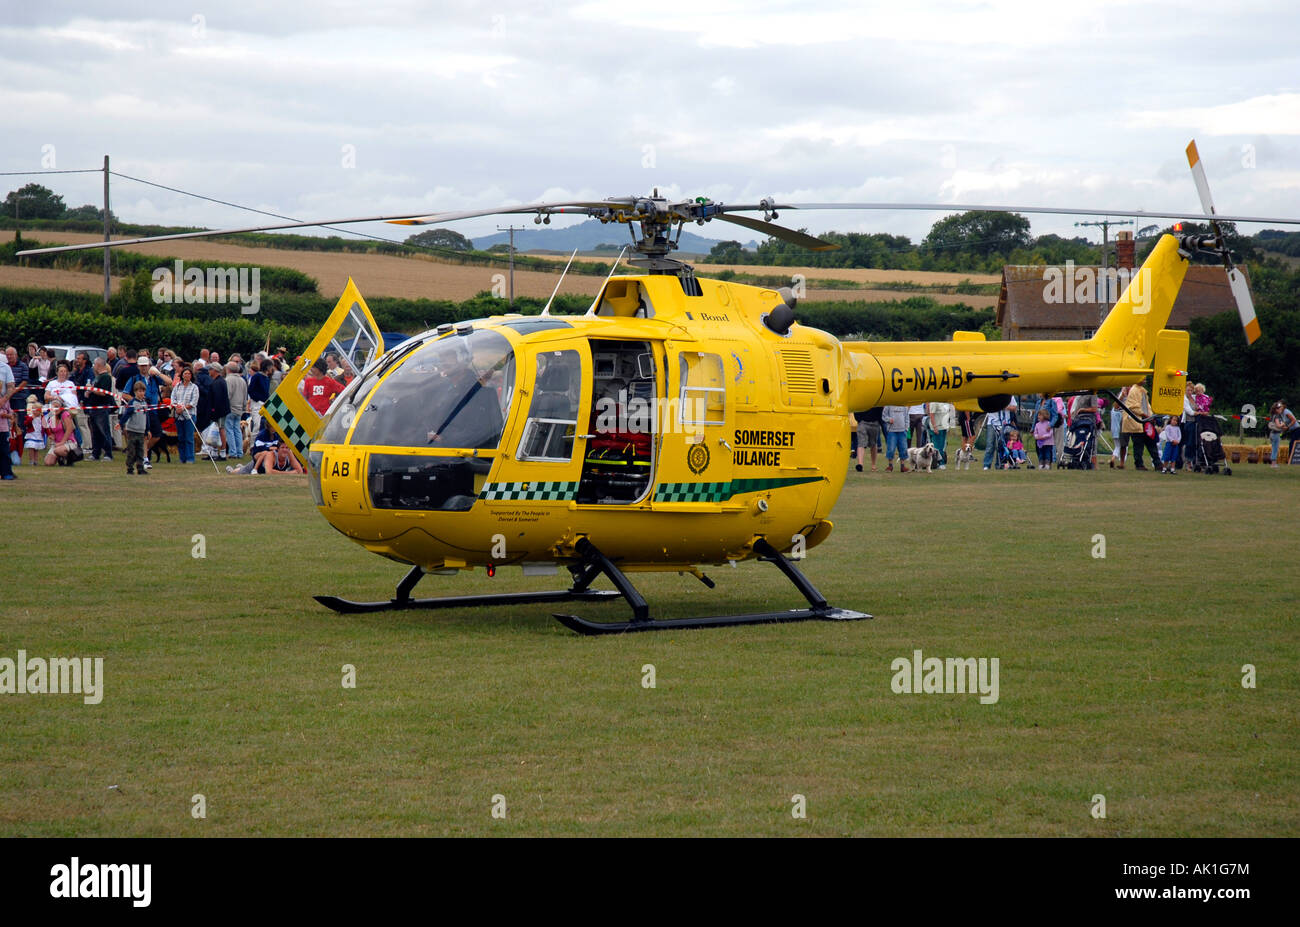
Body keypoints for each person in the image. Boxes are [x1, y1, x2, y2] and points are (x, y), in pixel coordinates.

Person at [1119, 382, 1156, 471]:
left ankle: (1150, 463)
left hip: (1140, 420)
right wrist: (1122, 396)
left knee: (1143, 442)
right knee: (1124, 443)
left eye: (1130, 386)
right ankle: (1122, 463)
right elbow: (1116, 407)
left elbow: (1146, 406)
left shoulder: (1141, 391)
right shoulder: (1127, 394)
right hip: (1128, 421)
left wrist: (1150, 416)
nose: (1129, 387)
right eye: (1127, 386)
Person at [87, 357, 115, 461]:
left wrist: (92, 390)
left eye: (94, 365)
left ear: (98, 365)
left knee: (104, 431)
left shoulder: (106, 377)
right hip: (94, 407)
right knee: (95, 432)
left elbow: (103, 392)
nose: (93, 367)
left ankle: (108, 453)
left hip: (101, 408)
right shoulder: (97, 377)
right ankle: (96, 453)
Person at [119, 381, 150, 475]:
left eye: (142, 391)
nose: (141, 393)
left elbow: (146, 417)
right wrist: (121, 423)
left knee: (140, 451)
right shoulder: (132, 403)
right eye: (139, 391)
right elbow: (126, 415)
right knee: (131, 451)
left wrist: (147, 429)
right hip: (132, 430)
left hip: (141, 430)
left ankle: (140, 468)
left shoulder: (145, 403)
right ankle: (130, 468)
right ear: (135, 392)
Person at [171, 366, 199, 464]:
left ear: (191, 376)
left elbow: (193, 402)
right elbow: (173, 399)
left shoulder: (194, 387)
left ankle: (190, 458)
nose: (187, 375)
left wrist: (183, 408)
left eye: (189, 374)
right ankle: (182, 458)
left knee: (189, 437)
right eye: (185, 373)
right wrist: (176, 407)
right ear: (182, 375)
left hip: (189, 415)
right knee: (181, 437)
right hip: (178, 416)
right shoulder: (177, 386)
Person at [43, 397, 78, 466]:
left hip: (68, 442)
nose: (55, 409)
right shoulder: (51, 416)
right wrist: (50, 434)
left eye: (57, 407)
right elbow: (46, 425)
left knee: (58, 450)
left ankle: (70, 460)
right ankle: (60, 458)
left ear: (61, 407)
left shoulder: (65, 414)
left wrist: (62, 442)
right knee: (48, 462)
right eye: (53, 407)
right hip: (56, 443)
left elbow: (69, 429)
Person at [224, 362, 248, 459]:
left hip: (230, 408)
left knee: (229, 430)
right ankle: (240, 452)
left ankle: (233, 452)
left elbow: (227, 395)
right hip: (239, 409)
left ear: (228, 369)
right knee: (237, 430)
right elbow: (245, 395)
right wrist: (243, 407)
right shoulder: (242, 380)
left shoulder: (228, 380)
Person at [926, 401, 954, 469]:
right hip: (937, 427)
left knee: (942, 447)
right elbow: (931, 415)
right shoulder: (934, 403)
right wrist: (935, 427)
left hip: (944, 427)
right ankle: (939, 463)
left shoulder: (945, 402)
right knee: (937, 447)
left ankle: (940, 463)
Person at [854, 407, 883, 472]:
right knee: (861, 443)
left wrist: (879, 420)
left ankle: (873, 465)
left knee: (873, 444)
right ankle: (860, 465)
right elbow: (856, 407)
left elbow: (881, 408)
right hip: (862, 423)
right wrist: (859, 420)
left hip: (875, 423)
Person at [882, 405, 910, 472]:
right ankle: (890, 466)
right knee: (891, 449)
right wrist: (888, 419)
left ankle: (903, 466)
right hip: (891, 431)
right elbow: (883, 416)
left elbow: (907, 418)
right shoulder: (888, 406)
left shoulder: (904, 406)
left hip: (902, 431)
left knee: (903, 449)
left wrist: (906, 428)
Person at [23, 396, 45, 465]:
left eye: (36, 410)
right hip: (31, 435)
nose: (34, 411)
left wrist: (49, 434)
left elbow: (45, 427)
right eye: (33, 409)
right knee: (31, 448)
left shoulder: (42, 418)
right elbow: (26, 423)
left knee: (36, 449)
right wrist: (31, 418)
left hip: (38, 435)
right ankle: (31, 460)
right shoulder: (29, 416)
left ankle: (36, 461)